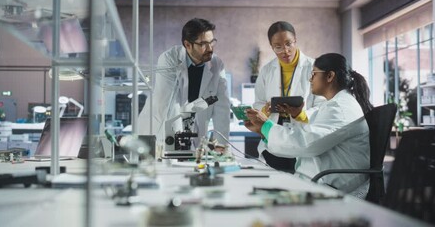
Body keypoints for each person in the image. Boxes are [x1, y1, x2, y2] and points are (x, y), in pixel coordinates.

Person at [245, 53, 373, 197]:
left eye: (314, 74)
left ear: (330, 76)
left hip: (334, 186)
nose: (310, 79)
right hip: (322, 179)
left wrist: (265, 126)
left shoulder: (340, 108)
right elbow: (311, 133)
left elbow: (304, 143)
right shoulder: (335, 104)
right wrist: (264, 130)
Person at [138, 18, 230, 149]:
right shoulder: (169, 59)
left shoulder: (217, 64)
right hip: (159, 131)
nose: (210, 48)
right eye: (203, 44)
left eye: (212, 42)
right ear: (187, 45)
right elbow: (169, 105)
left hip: (194, 133)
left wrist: (221, 144)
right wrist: (180, 144)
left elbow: (222, 106)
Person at [253, 21, 324, 172]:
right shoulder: (266, 71)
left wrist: (301, 114)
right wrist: (264, 110)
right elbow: (258, 102)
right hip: (273, 142)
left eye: (288, 43)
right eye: (278, 46)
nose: (285, 50)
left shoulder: (314, 67)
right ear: (271, 47)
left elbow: (322, 105)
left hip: (302, 139)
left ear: (295, 40)